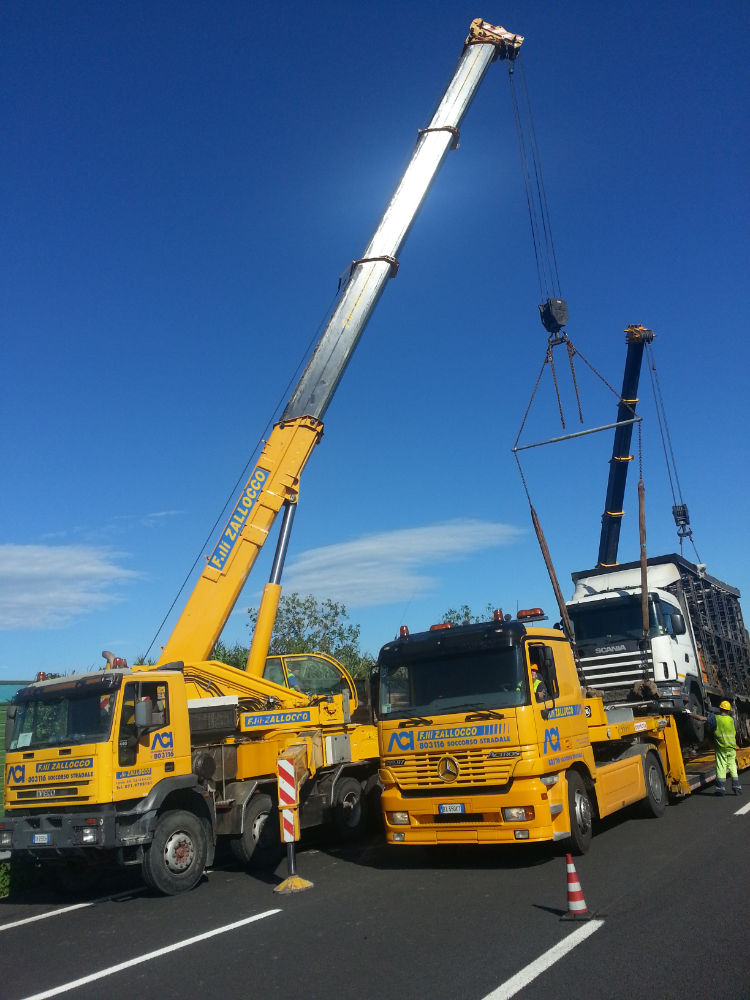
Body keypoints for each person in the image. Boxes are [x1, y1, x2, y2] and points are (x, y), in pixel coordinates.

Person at [704, 700, 741, 796]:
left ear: (720, 709)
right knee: (733, 767)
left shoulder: (716, 719)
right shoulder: (731, 720)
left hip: (721, 748)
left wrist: (690, 714)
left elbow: (702, 719)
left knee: (721, 767)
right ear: (728, 710)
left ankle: (720, 790)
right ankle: (737, 788)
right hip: (731, 748)